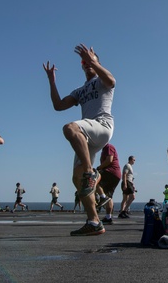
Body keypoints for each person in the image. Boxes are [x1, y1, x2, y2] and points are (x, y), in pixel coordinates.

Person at [43, 44, 116, 236]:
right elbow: (58, 106)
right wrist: (51, 81)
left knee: (70, 127)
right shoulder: (80, 90)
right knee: (77, 179)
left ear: (97, 62)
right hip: (86, 135)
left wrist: (93, 60)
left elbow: (112, 81)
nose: (87, 64)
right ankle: (94, 222)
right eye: (84, 63)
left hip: (102, 126)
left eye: (91, 61)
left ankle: (91, 173)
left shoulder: (102, 80)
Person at [95, 143, 121, 224]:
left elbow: (109, 159)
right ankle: (108, 217)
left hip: (111, 171)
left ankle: (102, 197)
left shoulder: (108, 147)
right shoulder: (104, 149)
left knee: (93, 181)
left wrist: (99, 168)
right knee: (109, 196)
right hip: (116, 174)